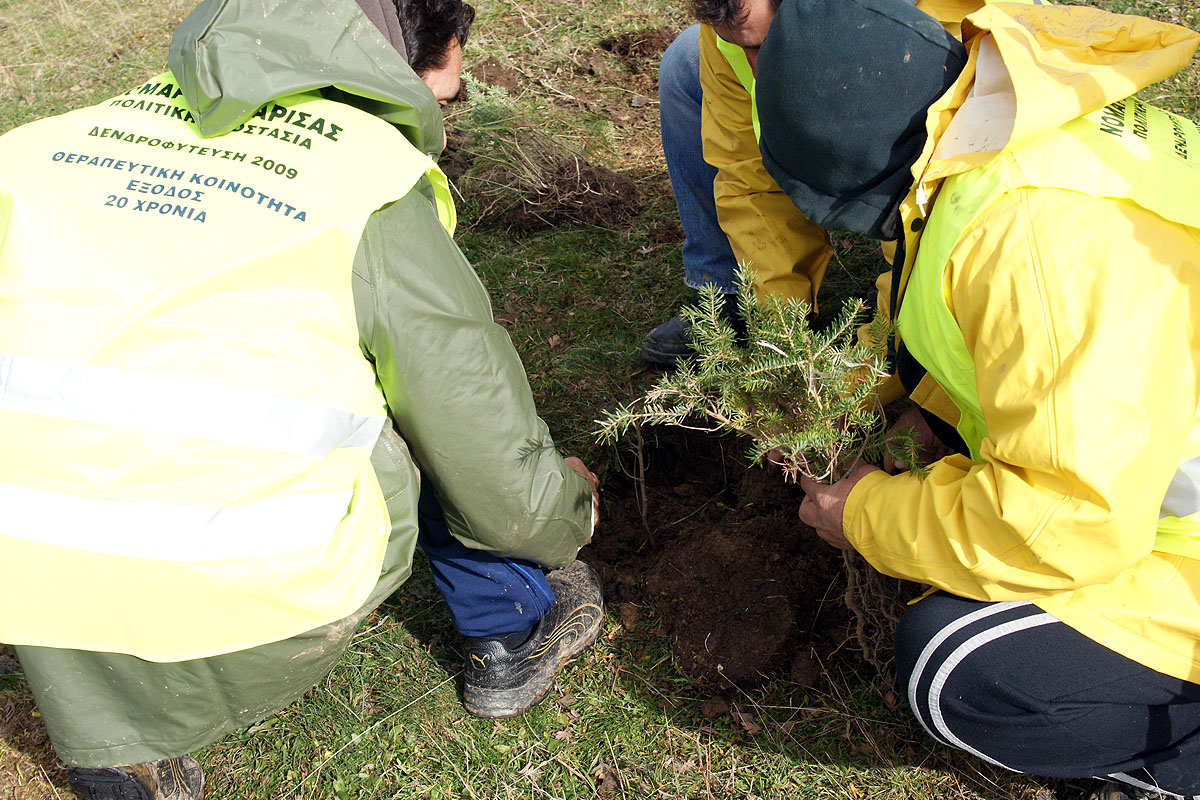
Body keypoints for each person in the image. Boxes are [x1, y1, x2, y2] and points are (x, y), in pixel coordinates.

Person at [0, 0, 604, 797]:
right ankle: (508, 627)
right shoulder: (367, 186)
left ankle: (115, 748)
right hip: (242, 577)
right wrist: (563, 512)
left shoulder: (36, 148)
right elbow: (484, 449)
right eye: (454, 76)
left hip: (22, 564)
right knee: (412, 403)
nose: (455, 100)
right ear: (410, 52)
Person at [754, 0, 1200, 797]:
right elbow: (967, 333)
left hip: (1166, 541)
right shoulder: (1002, 124)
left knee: (955, 666)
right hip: (1124, 477)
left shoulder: (1038, 247)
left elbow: (1065, 524)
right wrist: (902, 410)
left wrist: (862, 515)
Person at [641, 0, 833, 367]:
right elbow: (747, 177)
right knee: (686, 63)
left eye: (760, 46)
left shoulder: (891, 31)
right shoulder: (726, 35)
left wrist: (888, 352)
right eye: (741, 47)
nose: (755, 70)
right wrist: (782, 328)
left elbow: (915, 196)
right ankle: (731, 291)